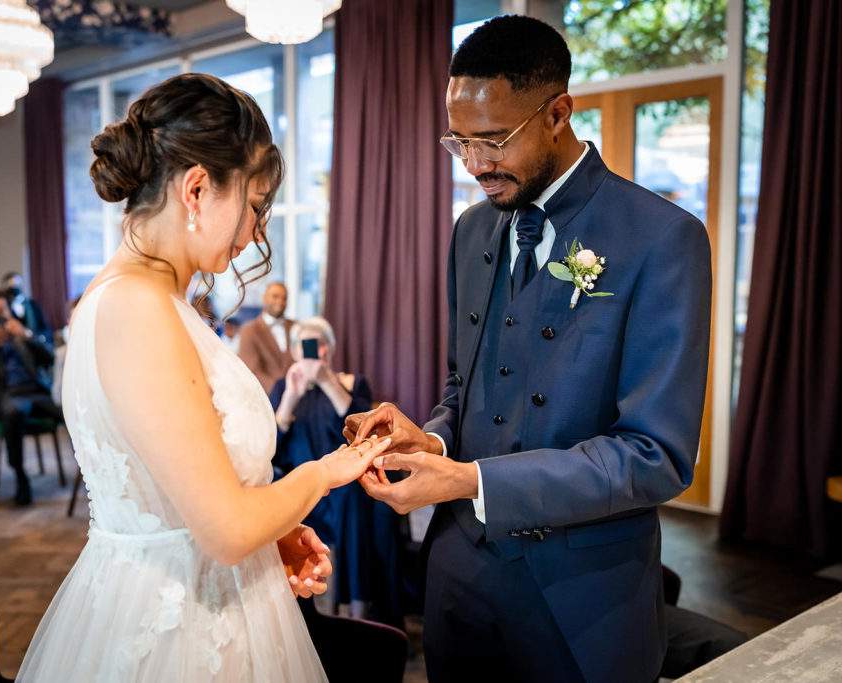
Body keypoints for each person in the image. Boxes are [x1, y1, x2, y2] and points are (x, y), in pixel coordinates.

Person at [347, 16, 712, 682]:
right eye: (458, 141)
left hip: (584, 600)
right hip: (458, 582)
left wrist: (469, 479)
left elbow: (655, 456)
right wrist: (430, 440)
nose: (474, 164)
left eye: (492, 140)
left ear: (558, 113)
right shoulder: (471, 231)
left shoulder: (663, 239)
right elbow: (466, 382)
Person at [15, 73, 392, 682]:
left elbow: (185, 498)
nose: (256, 234)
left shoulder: (130, 301)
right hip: (179, 631)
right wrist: (324, 472)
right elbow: (223, 530)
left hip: (196, 597)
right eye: (254, 206)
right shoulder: (138, 309)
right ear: (196, 189)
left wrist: (273, 528)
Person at [270, 318, 402, 627]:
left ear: (332, 347)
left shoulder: (353, 383)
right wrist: (292, 393)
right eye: (309, 344)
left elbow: (360, 431)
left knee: (351, 503)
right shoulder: (282, 387)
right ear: (294, 350)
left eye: (322, 342)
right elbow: (273, 446)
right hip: (303, 483)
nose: (318, 350)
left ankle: (357, 616)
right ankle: (313, 614)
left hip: (346, 488)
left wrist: (328, 381)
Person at [0, 290, 62, 506]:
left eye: (2, 310)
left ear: (10, 311)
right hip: (6, 397)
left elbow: (50, 357)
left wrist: (26, 334)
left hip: (37, 394)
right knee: (13, 412)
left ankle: (91, 470)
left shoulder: (21, 333)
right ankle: (20, 476)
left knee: (74, 410)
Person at [237, 281, 294, 394]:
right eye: (275, 296)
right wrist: (281, 391)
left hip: (300, 396)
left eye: (284, 298)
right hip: (266, 397)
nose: (280, 301)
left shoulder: (296, 327)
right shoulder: (249, 331)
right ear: (264, 298)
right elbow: (252, 371)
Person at [2, 272, 52, 346]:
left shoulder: (34, 305)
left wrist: (38, 337)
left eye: (17, 285)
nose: (15, 288)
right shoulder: (3, 307)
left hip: (35, 345)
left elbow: (46, 329)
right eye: (11, 286)